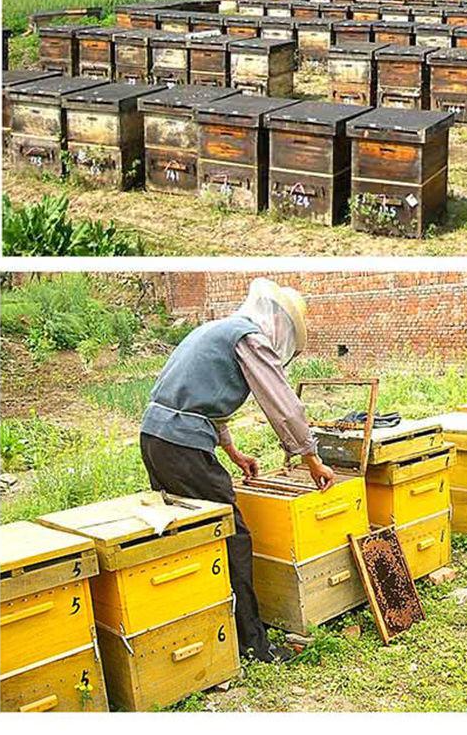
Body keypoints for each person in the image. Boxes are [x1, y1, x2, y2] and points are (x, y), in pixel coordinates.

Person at [138, 277, 336, 664]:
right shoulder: (250, 338)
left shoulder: (216, 329)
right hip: (182, 445)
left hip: (155, 437)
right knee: (231, 535)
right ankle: (252, 643)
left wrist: (231, 451)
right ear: (281, 324)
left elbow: (200, 399)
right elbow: (282, 404)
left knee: (189, 534)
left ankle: (204, 627)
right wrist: (310, 457)